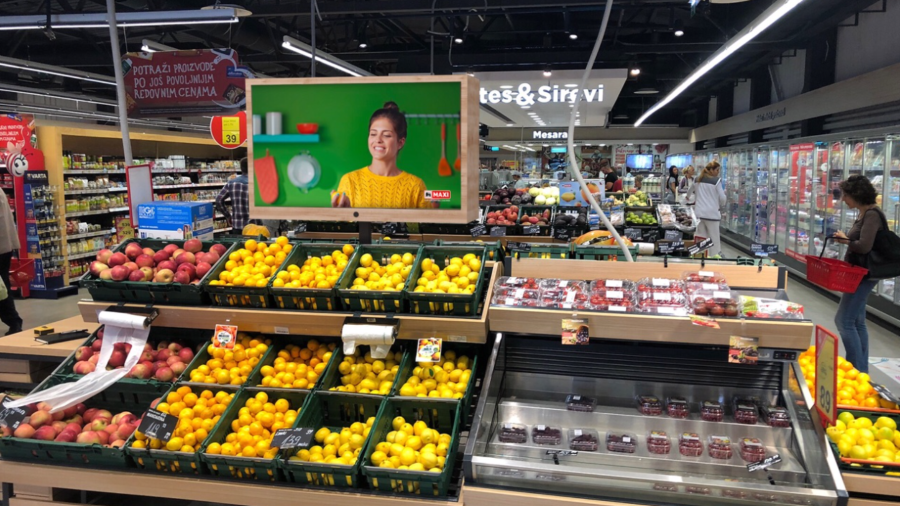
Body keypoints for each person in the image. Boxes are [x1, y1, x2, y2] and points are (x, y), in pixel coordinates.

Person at [332, 102, 430, 209]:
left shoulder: (416, 186)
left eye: (386, 135)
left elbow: (427, 225)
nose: (378, 140)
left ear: (400, 142)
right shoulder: (350, 181)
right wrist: (343, 216)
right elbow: (343, 224)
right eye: (373, 134)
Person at [832, 175, 885, 372]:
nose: (843, 199)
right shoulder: (863, 213)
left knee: (843, 321)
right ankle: (861, 371)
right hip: (859, 273)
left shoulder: (871, 214)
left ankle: (855, 369)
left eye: (845, 195)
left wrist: (846, 240)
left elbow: (863, 246)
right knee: (857, 322)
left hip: (864, 275)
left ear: (856, 195)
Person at [686, 161, 726, 257]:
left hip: (699, 214)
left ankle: (700, 257)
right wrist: (721, 205)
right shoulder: (716, 181)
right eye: (717, 170)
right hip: (712, 215)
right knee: (714, 238)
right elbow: (723, 197)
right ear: (711, 170)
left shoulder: (697, 179)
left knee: (701, 237)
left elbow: (689, 192)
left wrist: (688, 199)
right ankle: (715, 258)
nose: (718, 172)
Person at [0, 188, 22, 335]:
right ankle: (13, 321)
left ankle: (14, 321)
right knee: (2, 286)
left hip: (1, 247)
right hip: (4, 246)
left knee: (1, 288)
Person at [215, 157, 254, 231]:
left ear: (241, 168)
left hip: (237, 225)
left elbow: (218, 200)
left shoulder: (231, 183)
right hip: (255, 226)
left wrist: (228, 216)